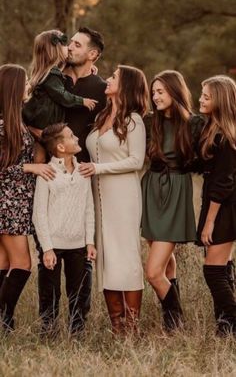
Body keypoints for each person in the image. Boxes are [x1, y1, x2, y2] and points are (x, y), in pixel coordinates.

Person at [79, 65, 149, 335]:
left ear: (127, 85)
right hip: (98, 197)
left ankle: (132, 328)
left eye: (114, 77)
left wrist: (99, 169)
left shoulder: (134, 120)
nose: (107, 80)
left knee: (126, 257)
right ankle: (117, 328)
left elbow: (136, 160)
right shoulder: (102, 116)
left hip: (123, 197)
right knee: (105, 258)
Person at [141, 70, 203, 332]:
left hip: (176, 190)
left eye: (161, 92)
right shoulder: (148, 122)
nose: (155, 97)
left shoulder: (195, 124)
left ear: (175, 92)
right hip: (152, 188)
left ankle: (176, 321)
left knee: (153, 272)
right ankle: (170, 324)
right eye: (153, 92)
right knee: (165, 261)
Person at [0, 64, 55, 331]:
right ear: (13, 88)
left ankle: (4, 324)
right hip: (7, 202)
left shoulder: (15, 122)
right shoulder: (1, 125)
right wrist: (31, 167)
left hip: (17, 201)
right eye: (24, 84)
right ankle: (4, 319)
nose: (28, 88)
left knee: (4, 263)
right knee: (22, 264)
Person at [32, 123, 96, 336]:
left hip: (78, 243)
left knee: (79, 292)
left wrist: (90, 241)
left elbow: (89, 208)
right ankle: (48, 332)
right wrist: (47, 248)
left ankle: (77, 332)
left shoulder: (83, 171)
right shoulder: (47, 173)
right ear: (60, 147)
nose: (77, 138)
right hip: (53, 245)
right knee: (49, 293)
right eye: (71, 136)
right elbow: (39, 214)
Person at [196, 75, 236, 336]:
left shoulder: (225, 137)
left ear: (220, 101)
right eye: (202, 93)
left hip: (224, 207)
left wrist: (210, 221)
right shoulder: (213, 129)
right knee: (223, 267)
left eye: (207, 96)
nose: (200, 99)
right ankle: (226, 327)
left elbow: (223, 182)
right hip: (220, 203)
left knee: (213, 269)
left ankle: (232, 317)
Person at [22, 29, 98, 131]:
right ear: (57, 50)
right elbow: (62, 95)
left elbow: (64, 63)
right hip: (42, 123)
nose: (69, 48)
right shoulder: (52, 74)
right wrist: (82, 101)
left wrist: (88, 67)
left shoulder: (49, 71)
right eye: (65, 45)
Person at [64, 26, 107, 162]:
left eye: (77, 45)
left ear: (92, 55)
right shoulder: (54, 80)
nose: (70, 47)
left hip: (81, 168)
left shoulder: (102, 89)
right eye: (70, 43)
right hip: (46, 167)